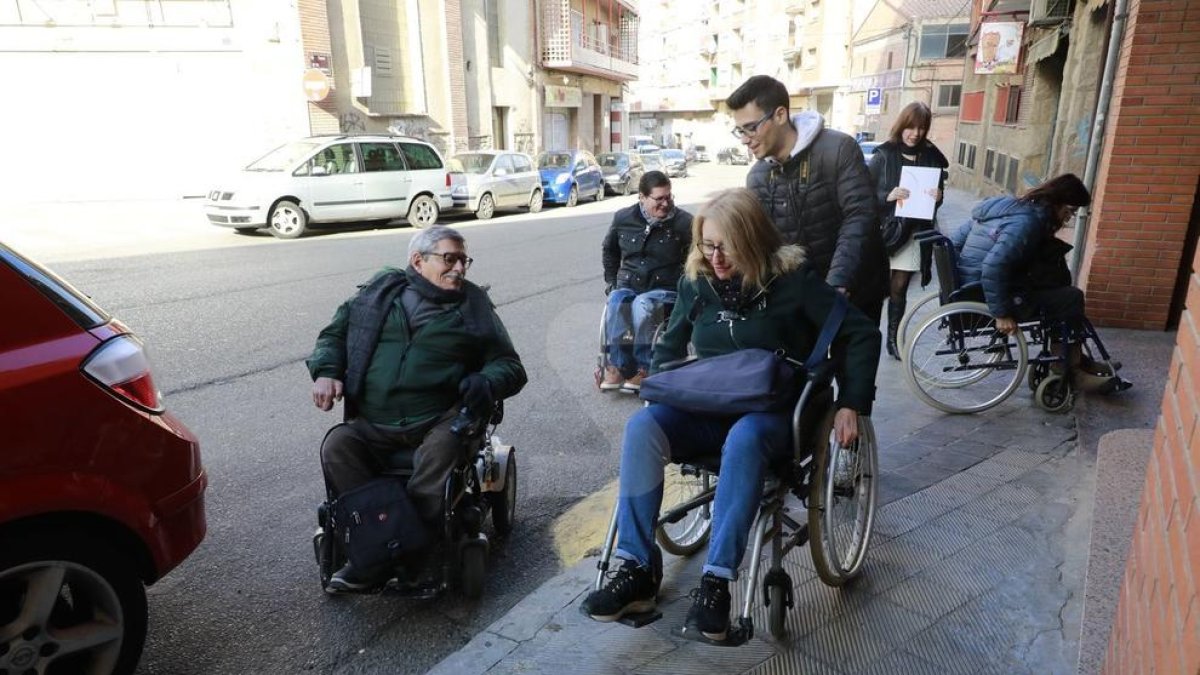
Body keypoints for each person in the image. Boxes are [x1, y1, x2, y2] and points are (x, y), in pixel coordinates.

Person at [581, 189, 881, 641]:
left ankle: (716, 581)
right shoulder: (696, 281)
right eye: (707, 245)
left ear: (754, 241)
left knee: (743, 438)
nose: (716, 258)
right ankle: (638, 567)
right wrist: (661, 386)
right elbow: (669, 344)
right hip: (708, 407)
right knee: (642, 427)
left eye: (728, 247)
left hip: (775, 414)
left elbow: (859, 333)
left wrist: (852, 403)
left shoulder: (793, 281)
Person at [307, 226, 527, 592]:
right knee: (338, 446)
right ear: (417, 261)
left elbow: (510, 366)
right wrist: (327, 372)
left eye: (463, 260)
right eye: (449, 258)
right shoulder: (378, 296)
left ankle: (410, 551)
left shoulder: (472, 306)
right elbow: (333, 336)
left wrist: (486, 381)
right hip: (374, 421)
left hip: (438, 420)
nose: (459, 267)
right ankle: (373, 542)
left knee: (442, 449)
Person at [727, 75, 886, 323]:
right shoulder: (757, 176)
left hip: (856, 288)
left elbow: (860, 216)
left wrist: (837, 283)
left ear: (780, 115)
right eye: (740, 130)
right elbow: (764, 244)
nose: (745, 139)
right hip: (802, 297)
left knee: (851, 360)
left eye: (751, 127)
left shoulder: (838, 149)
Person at [951, 173, 1131, 392]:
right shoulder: (1028, 222)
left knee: (1057, 289)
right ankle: (1068, 369)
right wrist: (1000, 313)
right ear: (1057, 203)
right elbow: (993, 266)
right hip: (986, 293)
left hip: (972, 287)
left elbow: (955, 242)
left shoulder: (1005, 207)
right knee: (1070, 298)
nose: (1068, 218)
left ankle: (1076, 359)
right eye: (1070, 211)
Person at [868, 101, 950, 359]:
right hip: (884, 232)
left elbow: (938, 196)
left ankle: (893, 340)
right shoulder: (883, 155)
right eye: (911, 127)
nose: (915, 133)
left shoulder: (931, 157)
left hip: (913, 232)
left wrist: (938, 197)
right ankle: (868, 335)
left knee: (899, 288)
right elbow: (864, 195)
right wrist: (887, 195)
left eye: (921, 128)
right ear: (902, 126)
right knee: (875, 287)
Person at [601, 171, 694, 392]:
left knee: (642, 304)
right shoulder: (623, 218)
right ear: (642, 197)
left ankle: (645, 368)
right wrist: (612, 281)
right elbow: (609, 251)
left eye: (669, 197)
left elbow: (697, 260)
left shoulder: (684, 223)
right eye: (659, 198)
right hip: (629, 285)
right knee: (617, 300)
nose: (665, 203)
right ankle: (619, 366)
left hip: (667, 290)